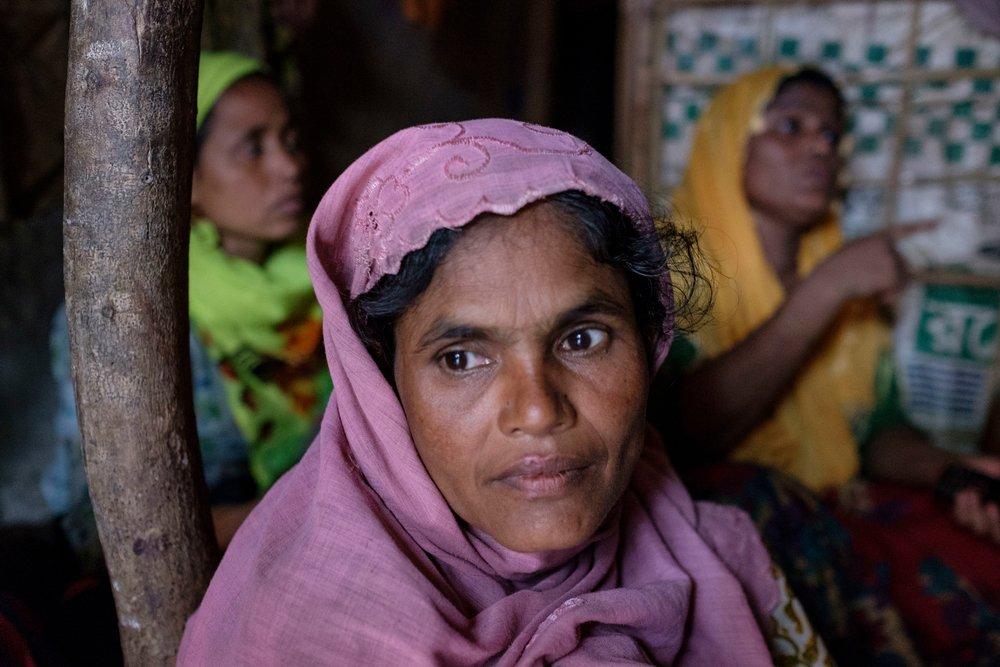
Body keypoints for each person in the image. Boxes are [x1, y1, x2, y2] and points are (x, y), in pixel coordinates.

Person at [178, 119, 832, 665]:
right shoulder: (291, 631)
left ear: (649, 335)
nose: (538, 409)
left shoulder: (723, 559)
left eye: (583, 340)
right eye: (462, 358)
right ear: (381, 380)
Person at [661, 66, 1000, 663]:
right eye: (791, 125)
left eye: (832, 133)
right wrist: (823, 292)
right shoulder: (669, 264)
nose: (821, 146)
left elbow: (877, 431)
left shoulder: (844, 269)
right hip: (739, 508)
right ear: (729, 138)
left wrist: (953, 474)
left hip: (831, 503)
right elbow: (688, 435)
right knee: (753, 500)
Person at [42, 51, 331, 568]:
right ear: (188, 178)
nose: (290, 167)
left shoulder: (327, 277)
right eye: (252, 149)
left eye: (288, 141)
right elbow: (92, 523)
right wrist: (293, 513)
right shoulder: (128, 317)